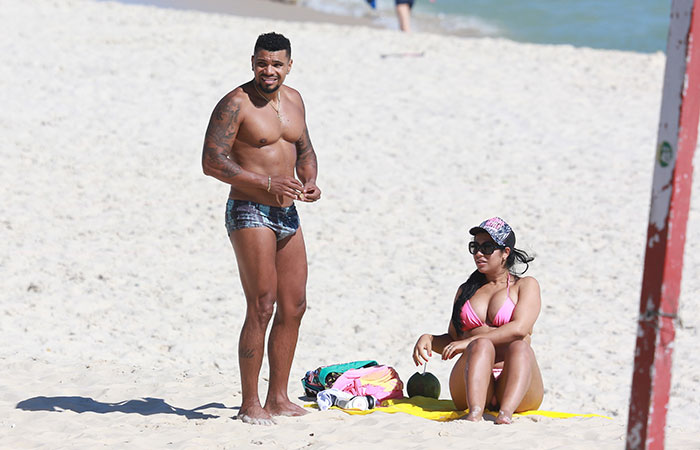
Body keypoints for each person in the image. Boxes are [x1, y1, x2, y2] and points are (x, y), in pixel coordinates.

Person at [201, 32, 321, 425]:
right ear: (252, 61)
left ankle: (279, 397)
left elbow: (303, 147)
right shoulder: (235, 104)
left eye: (276, 64)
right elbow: (212, 161)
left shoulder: (295, 100)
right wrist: (266, 183)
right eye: (261, 63)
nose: (268, 71)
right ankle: (250, 403)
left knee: (295, 305)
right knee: (262, 304)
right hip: (249, 209)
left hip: (287, 212)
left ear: (289, 65)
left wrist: (309, 180)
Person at [412, 217, 543, 424]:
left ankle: (506, 414)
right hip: (471, 380)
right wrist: (429, 339)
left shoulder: (525, 286)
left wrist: (469, 342)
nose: (479, 253)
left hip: (514, 379)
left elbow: (519, 329)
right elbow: (453, 341)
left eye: (487, 247)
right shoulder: (466, 291)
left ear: (505, 252)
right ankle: (474, 413)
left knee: (520, 347)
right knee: (481, 345)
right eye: (475, 247)